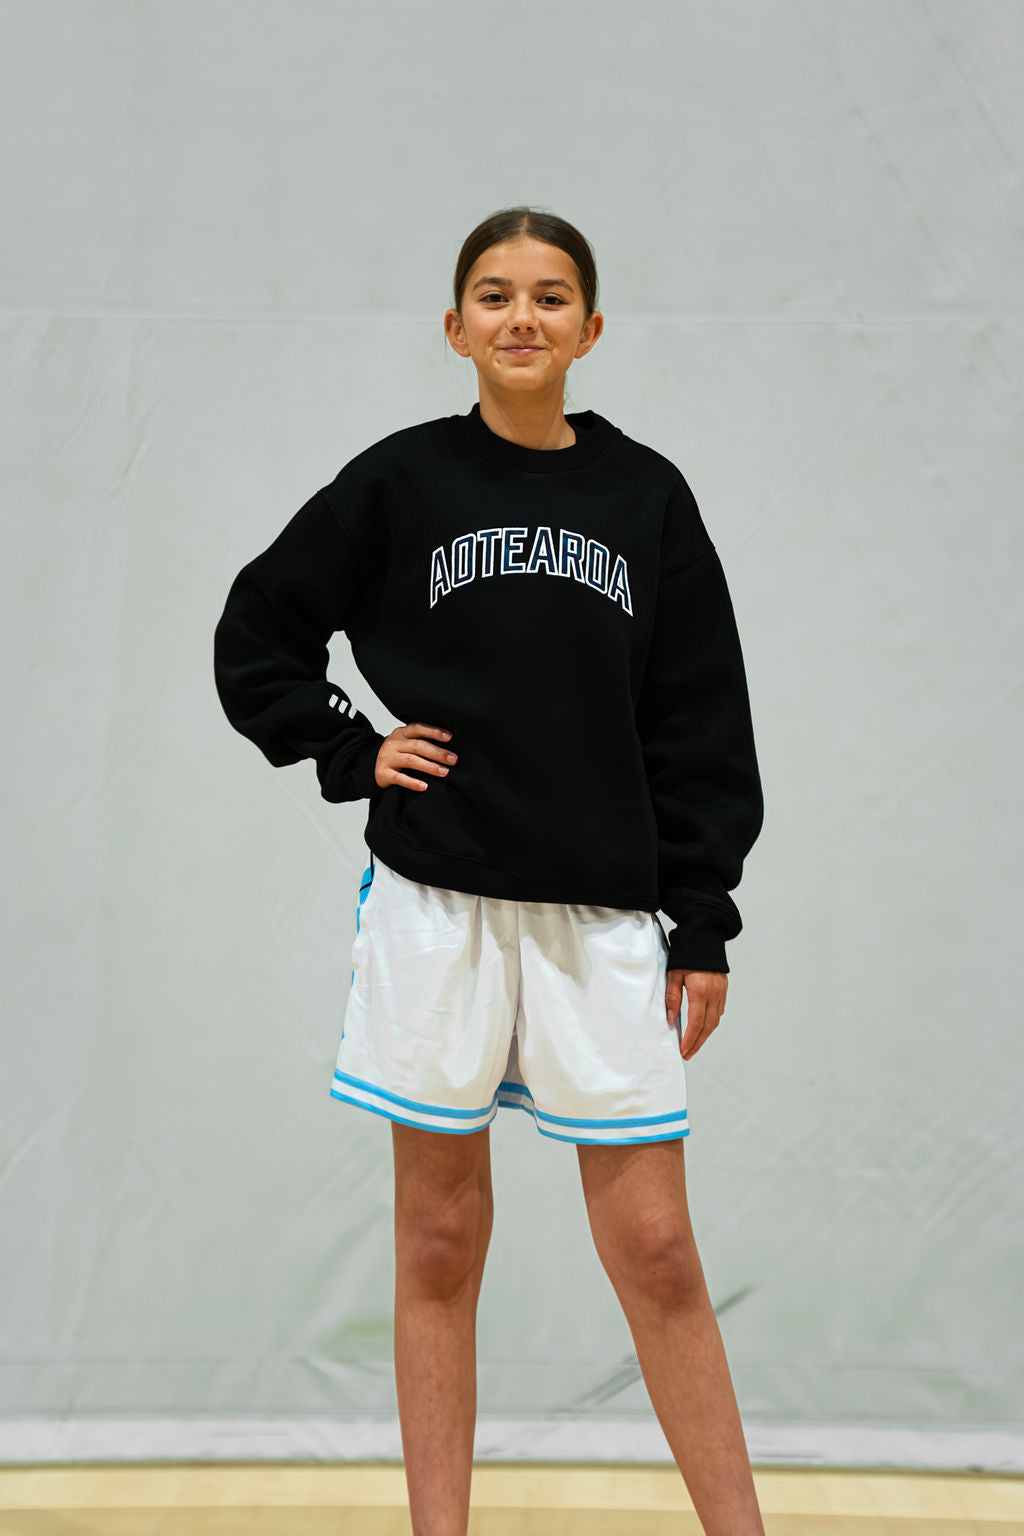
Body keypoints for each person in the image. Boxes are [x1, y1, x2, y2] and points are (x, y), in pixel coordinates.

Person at [213, 205, 766, 1536]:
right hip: (439, 907)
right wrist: (349, 747)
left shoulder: (644, 499)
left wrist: (703, 920)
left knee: (657, 1252)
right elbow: (261, 631)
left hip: (603, 916)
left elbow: (699, 718)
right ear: (456, 326)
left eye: (553, 295)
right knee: (441, 1244)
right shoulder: (402, 486)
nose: (525, 316)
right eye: (497, 294)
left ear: (589, 327)